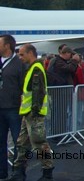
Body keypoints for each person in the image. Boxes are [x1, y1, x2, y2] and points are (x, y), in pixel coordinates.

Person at [11, 44, 53, 180]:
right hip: (28, 113)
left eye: (22, 54)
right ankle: (18, 171)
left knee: (39, 143)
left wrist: (35, 112)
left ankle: (47, 171)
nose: (20, 57)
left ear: (30, 53)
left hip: (33, 113)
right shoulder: (32, 69)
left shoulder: (36, 69)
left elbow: (38, 93)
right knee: (22, 143)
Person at [0, 35, 24, 180]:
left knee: (18, 142)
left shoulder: (19, 64)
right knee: (1, 142)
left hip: (14, 108)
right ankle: (2, 171)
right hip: (0, 108)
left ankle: (18, 172)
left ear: (7, 46)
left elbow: (24, 87)